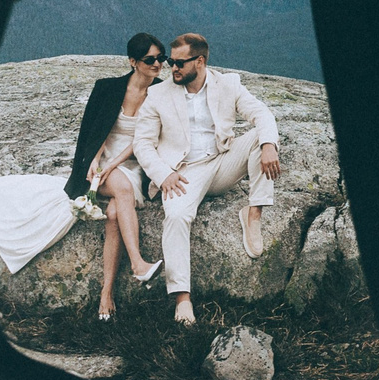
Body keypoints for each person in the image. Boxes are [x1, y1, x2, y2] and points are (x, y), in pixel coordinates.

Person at [134, 31, 282, 326]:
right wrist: (164, 174)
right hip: (184, 172)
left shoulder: (228, 84)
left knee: (260, 139)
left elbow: (261, 114)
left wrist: (268, 145)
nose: (171, 68)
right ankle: (182, 298)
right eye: (169, 61)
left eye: (179, 63)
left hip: (221, 161)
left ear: (199, 62)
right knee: (175, 217)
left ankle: (253, 213)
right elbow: (142, 143)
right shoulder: (158, 94)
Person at [64, 31, 168, 321]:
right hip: (100, 161)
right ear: (133, 61)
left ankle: (106, 293)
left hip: (135, 163)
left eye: (162, 58)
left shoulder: (162, 93)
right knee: (121, 192)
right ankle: (138, 263)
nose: (158, 64)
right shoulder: (107, 88)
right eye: (150, 59)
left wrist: (115, 165)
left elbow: (146, 139)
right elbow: (91, 130)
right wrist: (96, 161)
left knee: (113, 214)